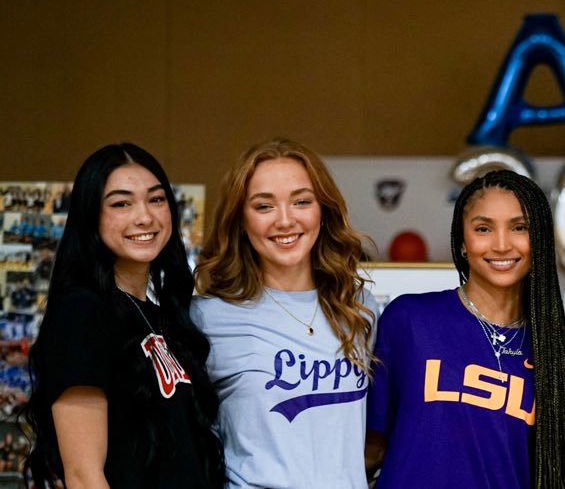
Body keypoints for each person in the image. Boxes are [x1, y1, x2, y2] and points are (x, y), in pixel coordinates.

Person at [24, 143, 223, 488]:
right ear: (91, 216)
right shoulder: (81, 311)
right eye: (121, 203)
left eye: (156, 199)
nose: (145, 217)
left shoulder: (164, 317)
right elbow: (84, 475)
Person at [365, 170, 565, 488]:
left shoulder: (553, 349)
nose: (501, 245)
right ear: (463, 242)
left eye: (520, 227)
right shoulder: (409, 320)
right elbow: (371, 449)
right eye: (483, 228)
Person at [193, 138, 376, 488]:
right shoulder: (207, 318)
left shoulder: (359, 309)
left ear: (323, 211)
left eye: (302, 202)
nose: (286, 220)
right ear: (240, 220)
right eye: (264, 206)